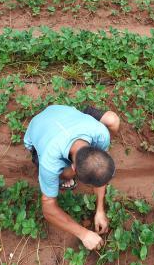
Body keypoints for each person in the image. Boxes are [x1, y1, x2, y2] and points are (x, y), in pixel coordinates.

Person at [24, 104, 120, 251]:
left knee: (113, 120)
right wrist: (84, 234)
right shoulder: (50, 160)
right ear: (74, 167)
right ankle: (64, 177)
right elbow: (48, 207)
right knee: (65, 174)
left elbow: (98, 169)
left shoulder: (101, 133)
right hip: (39, 129)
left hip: (62, 112)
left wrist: (100, 210)